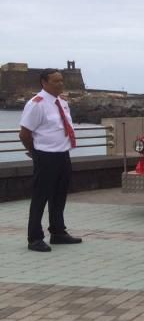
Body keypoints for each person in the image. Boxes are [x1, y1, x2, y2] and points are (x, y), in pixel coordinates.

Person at [19, 69, 82, 252]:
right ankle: (35, 237)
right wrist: (35, 152)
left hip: (63, 154)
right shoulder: (36, 104)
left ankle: (58, 232)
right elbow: (24, 133)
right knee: (41, 197)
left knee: (59, 195)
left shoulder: (62, 103)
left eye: (61, 80)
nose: (60, 84)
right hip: (45, 155)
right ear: (44, 83)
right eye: (55, 81)